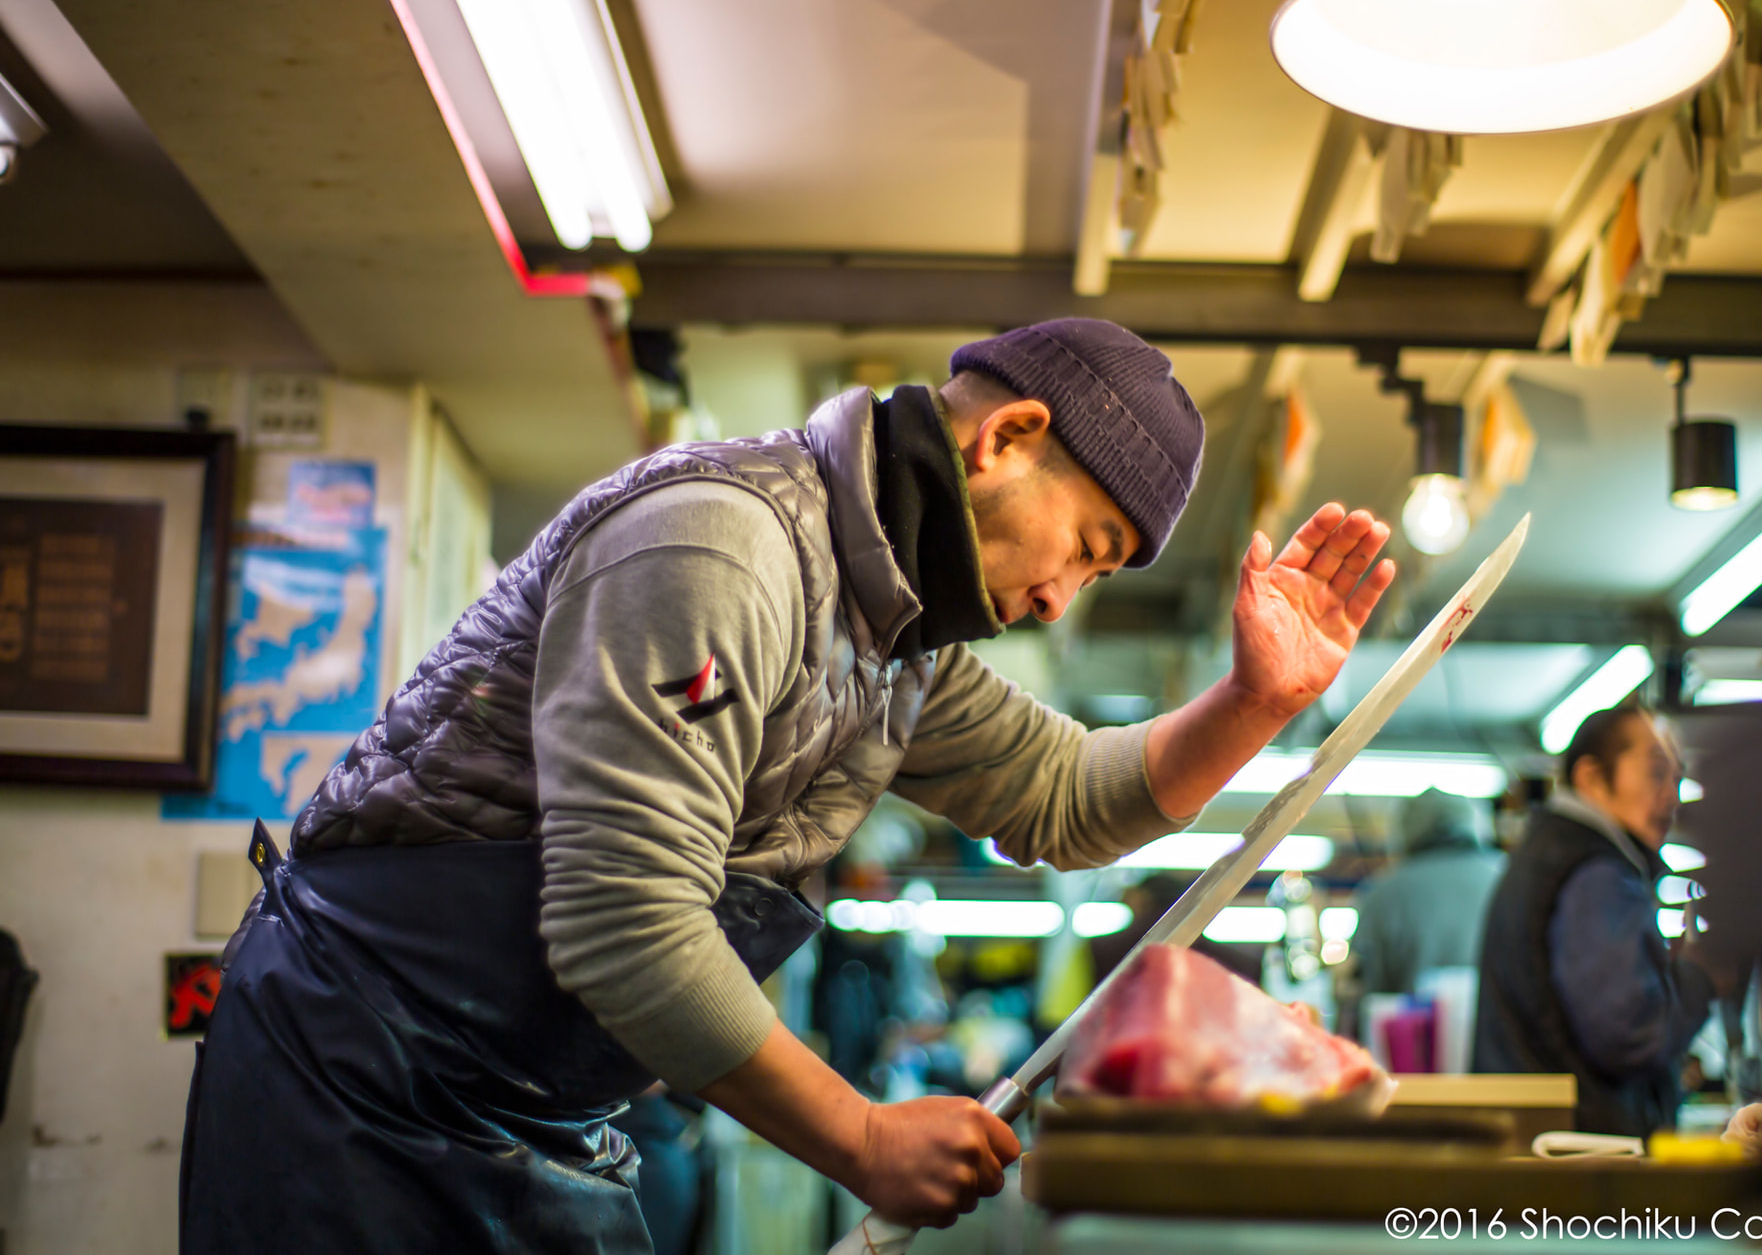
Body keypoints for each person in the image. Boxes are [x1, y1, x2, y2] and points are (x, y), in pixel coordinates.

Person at [179, 318, 1397, 1253]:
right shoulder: (724, 547)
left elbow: (1067, 796)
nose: (1057, 599)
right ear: (1007, 437)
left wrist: (1256, 702)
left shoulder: (894, 638)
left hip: (525, 1106)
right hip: (358, 1079)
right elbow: (625, 918)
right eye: (1084, 548)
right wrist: (861, 1134)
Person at [1473, 703, 1717, 1136]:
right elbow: (1628, 1035)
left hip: (1544, 1142)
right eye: (1656, 773)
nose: (1672, 796)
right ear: (1592, 779)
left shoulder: (1552, 854)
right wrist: (1699, 977)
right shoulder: (1597, 874)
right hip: (1584, 1153)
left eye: (1677, 778)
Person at [1349, 790, 1505, 997]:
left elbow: (1370, 988)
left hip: (1411, 1016)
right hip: (1500, 1016)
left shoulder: (1383, 894)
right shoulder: (1506, 878)